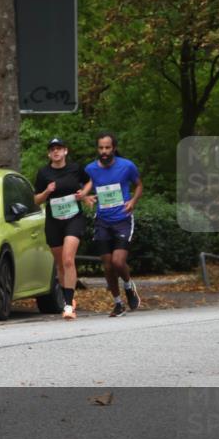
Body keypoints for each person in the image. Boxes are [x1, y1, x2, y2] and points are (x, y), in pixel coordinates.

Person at [79, 132, 143, 317]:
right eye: (101, 148)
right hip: (102, 221)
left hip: (123, 219)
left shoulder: (127, 166)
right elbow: (84, 188)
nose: (104, 151)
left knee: (118, 262)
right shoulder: (90, 169)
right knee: (107, 266)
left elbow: (139, 185)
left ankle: (129, 286)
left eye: (107, 148)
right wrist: (85, 198)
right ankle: (118, 303)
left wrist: (133, 201)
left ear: (114, 148)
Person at [34, 138, 88, 320]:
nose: (56, 152)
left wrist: (83, 194)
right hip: (54, 221)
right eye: (52, 149)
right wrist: (47, 191)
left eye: (59, 148)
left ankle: (68, 305)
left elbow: (90, 182)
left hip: (74, 218)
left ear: (65, 151)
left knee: (68, 260)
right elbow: (36, 200)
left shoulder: (75, 169)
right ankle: (68, 299)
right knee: (60, 264)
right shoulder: (43, 173)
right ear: (49, 154)